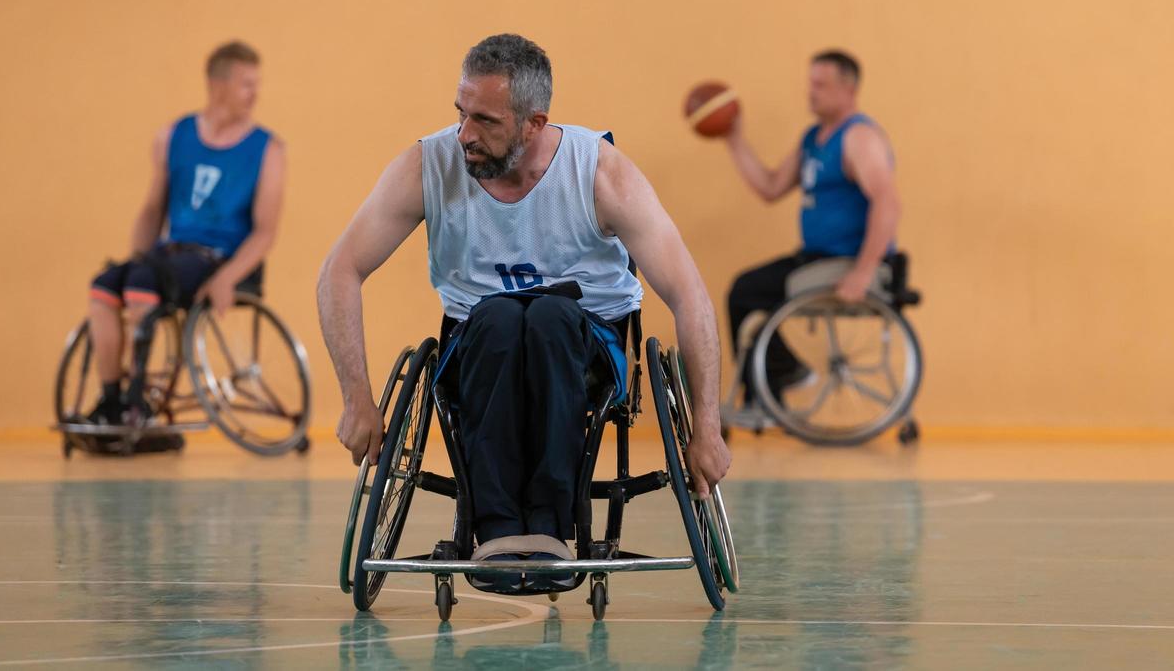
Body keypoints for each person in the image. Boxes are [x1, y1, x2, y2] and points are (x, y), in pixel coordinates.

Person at [317, 33, 730, 582]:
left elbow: (689, 295)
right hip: (481, 337)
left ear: (535, 123)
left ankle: (547, 525)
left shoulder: (601, 172)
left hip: (588, 341)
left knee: (550, 317)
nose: (465, 133)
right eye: (461, 113)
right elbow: (339, 271)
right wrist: (356, 398)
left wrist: (707, 425)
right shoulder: (431, 165)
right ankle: (497, 528)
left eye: (485, 120)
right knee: (501, 317)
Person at [83, 41, 287, 431]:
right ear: (218, 85)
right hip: (169, 254)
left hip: (216, 257)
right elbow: (152, 209)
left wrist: (226, 278)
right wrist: (135, 261)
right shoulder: (173, 136)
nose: (255, 94)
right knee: (105, 286)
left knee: (142, 283)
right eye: (247, 84)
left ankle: (136, 404)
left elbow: (265, 233)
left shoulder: (268, 149)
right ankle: (112, 400)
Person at [719, 49, 901, 413]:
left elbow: (888, 203)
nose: (811, 92)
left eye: (821, 84)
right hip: (815, 258)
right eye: (811, 83)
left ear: (848, 89)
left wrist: (863, 271)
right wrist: (733, 139)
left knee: (746, 291)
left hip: (845, 260)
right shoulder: (813, 138)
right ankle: (772, 385)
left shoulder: (859, 138)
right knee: (746, 290)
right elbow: (771, 187)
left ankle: (780, 378)